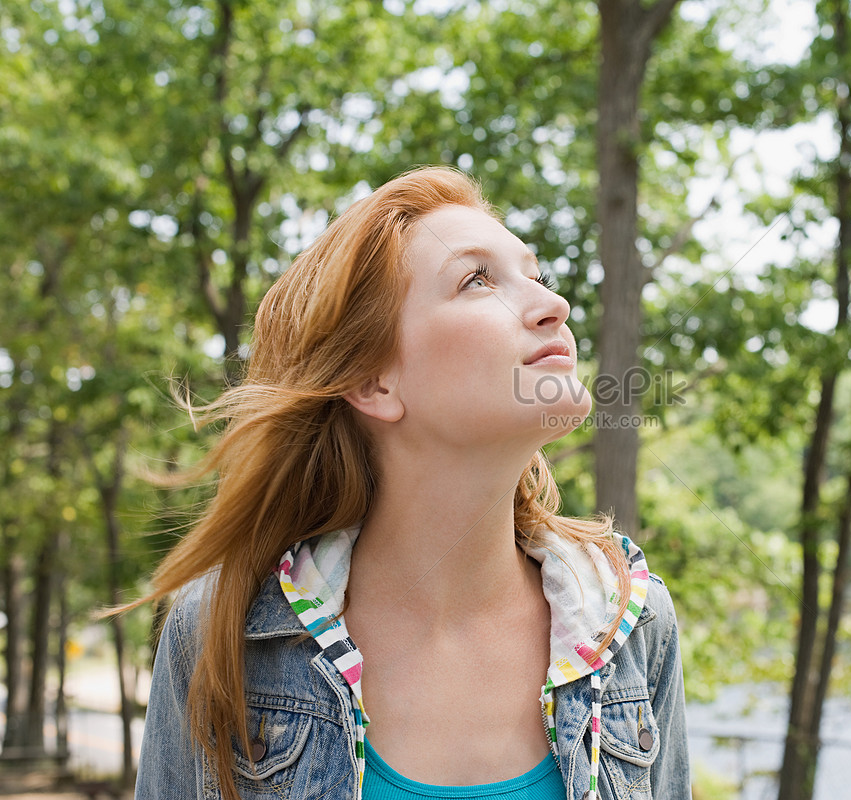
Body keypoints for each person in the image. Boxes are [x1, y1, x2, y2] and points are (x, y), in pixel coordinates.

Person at [131, 166, 691, 800]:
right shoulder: (221, 632)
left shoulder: (632, 622)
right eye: (478, 280)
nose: (554, 304)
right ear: (374, 383)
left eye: (537, 276)